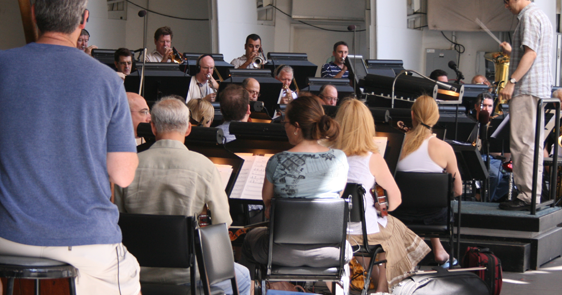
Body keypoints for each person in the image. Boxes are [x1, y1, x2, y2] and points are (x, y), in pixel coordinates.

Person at [0, 0, 141, 295]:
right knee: (130, 278)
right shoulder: (109, 81)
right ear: (84, 18)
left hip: (6, 233)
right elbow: (122, 176)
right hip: (89, 241)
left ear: (35, 12)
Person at [115, 97, 250, 295]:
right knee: (244, 278)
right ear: (188, 129)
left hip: (137, 274)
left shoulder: (128, 166)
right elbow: (222, 224)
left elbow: (117, 221)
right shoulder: (204, 166)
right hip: (190, 276)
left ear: (153, 127)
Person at [239, 96, 349, 284]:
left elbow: (268, 206)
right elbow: (336, 199)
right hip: (332, 251)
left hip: (280, 251)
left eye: (286, 123)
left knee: (250, 238)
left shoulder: (277, 161)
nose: (285, 127)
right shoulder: (340, 159)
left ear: (297, 126)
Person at [332, 98, 430, 293]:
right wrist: (381, 206)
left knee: (372, 235)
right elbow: (396, 200)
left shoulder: (328, 153)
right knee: (390, 228)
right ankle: (382, 287)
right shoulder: (373, 158)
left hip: (332, 229)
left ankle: (374, 283)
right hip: (361, 230)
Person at [497, 0, 554, 211]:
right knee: (532, 144)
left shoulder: (529, 16)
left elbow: (530, 55)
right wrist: (512, 53)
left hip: (527, 89)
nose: (506, 5)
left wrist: (511, 82)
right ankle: (532, 195)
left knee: (522, 144)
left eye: (507, 0)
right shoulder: (540, 15)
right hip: (538, 89)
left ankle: (527, 196)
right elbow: (531, 53)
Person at [394, 95, 462, 268]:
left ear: (412, 115)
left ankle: (422, 251)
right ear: (436, 118)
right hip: (434, 217)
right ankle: (437, 251)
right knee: (432, 204)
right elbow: (458, 190)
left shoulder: (397, 143)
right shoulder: (445, 148)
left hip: (400, 213)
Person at [468, 92, 510, 202]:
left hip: (492, 158)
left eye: (490, 106)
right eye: (484, 105)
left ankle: (485, 197)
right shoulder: (469, 121)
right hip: (476, 157)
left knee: (511, 177)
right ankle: (486, 201)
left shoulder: (495, 124)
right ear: (476, 106)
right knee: (495, 175)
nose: (487, 109)